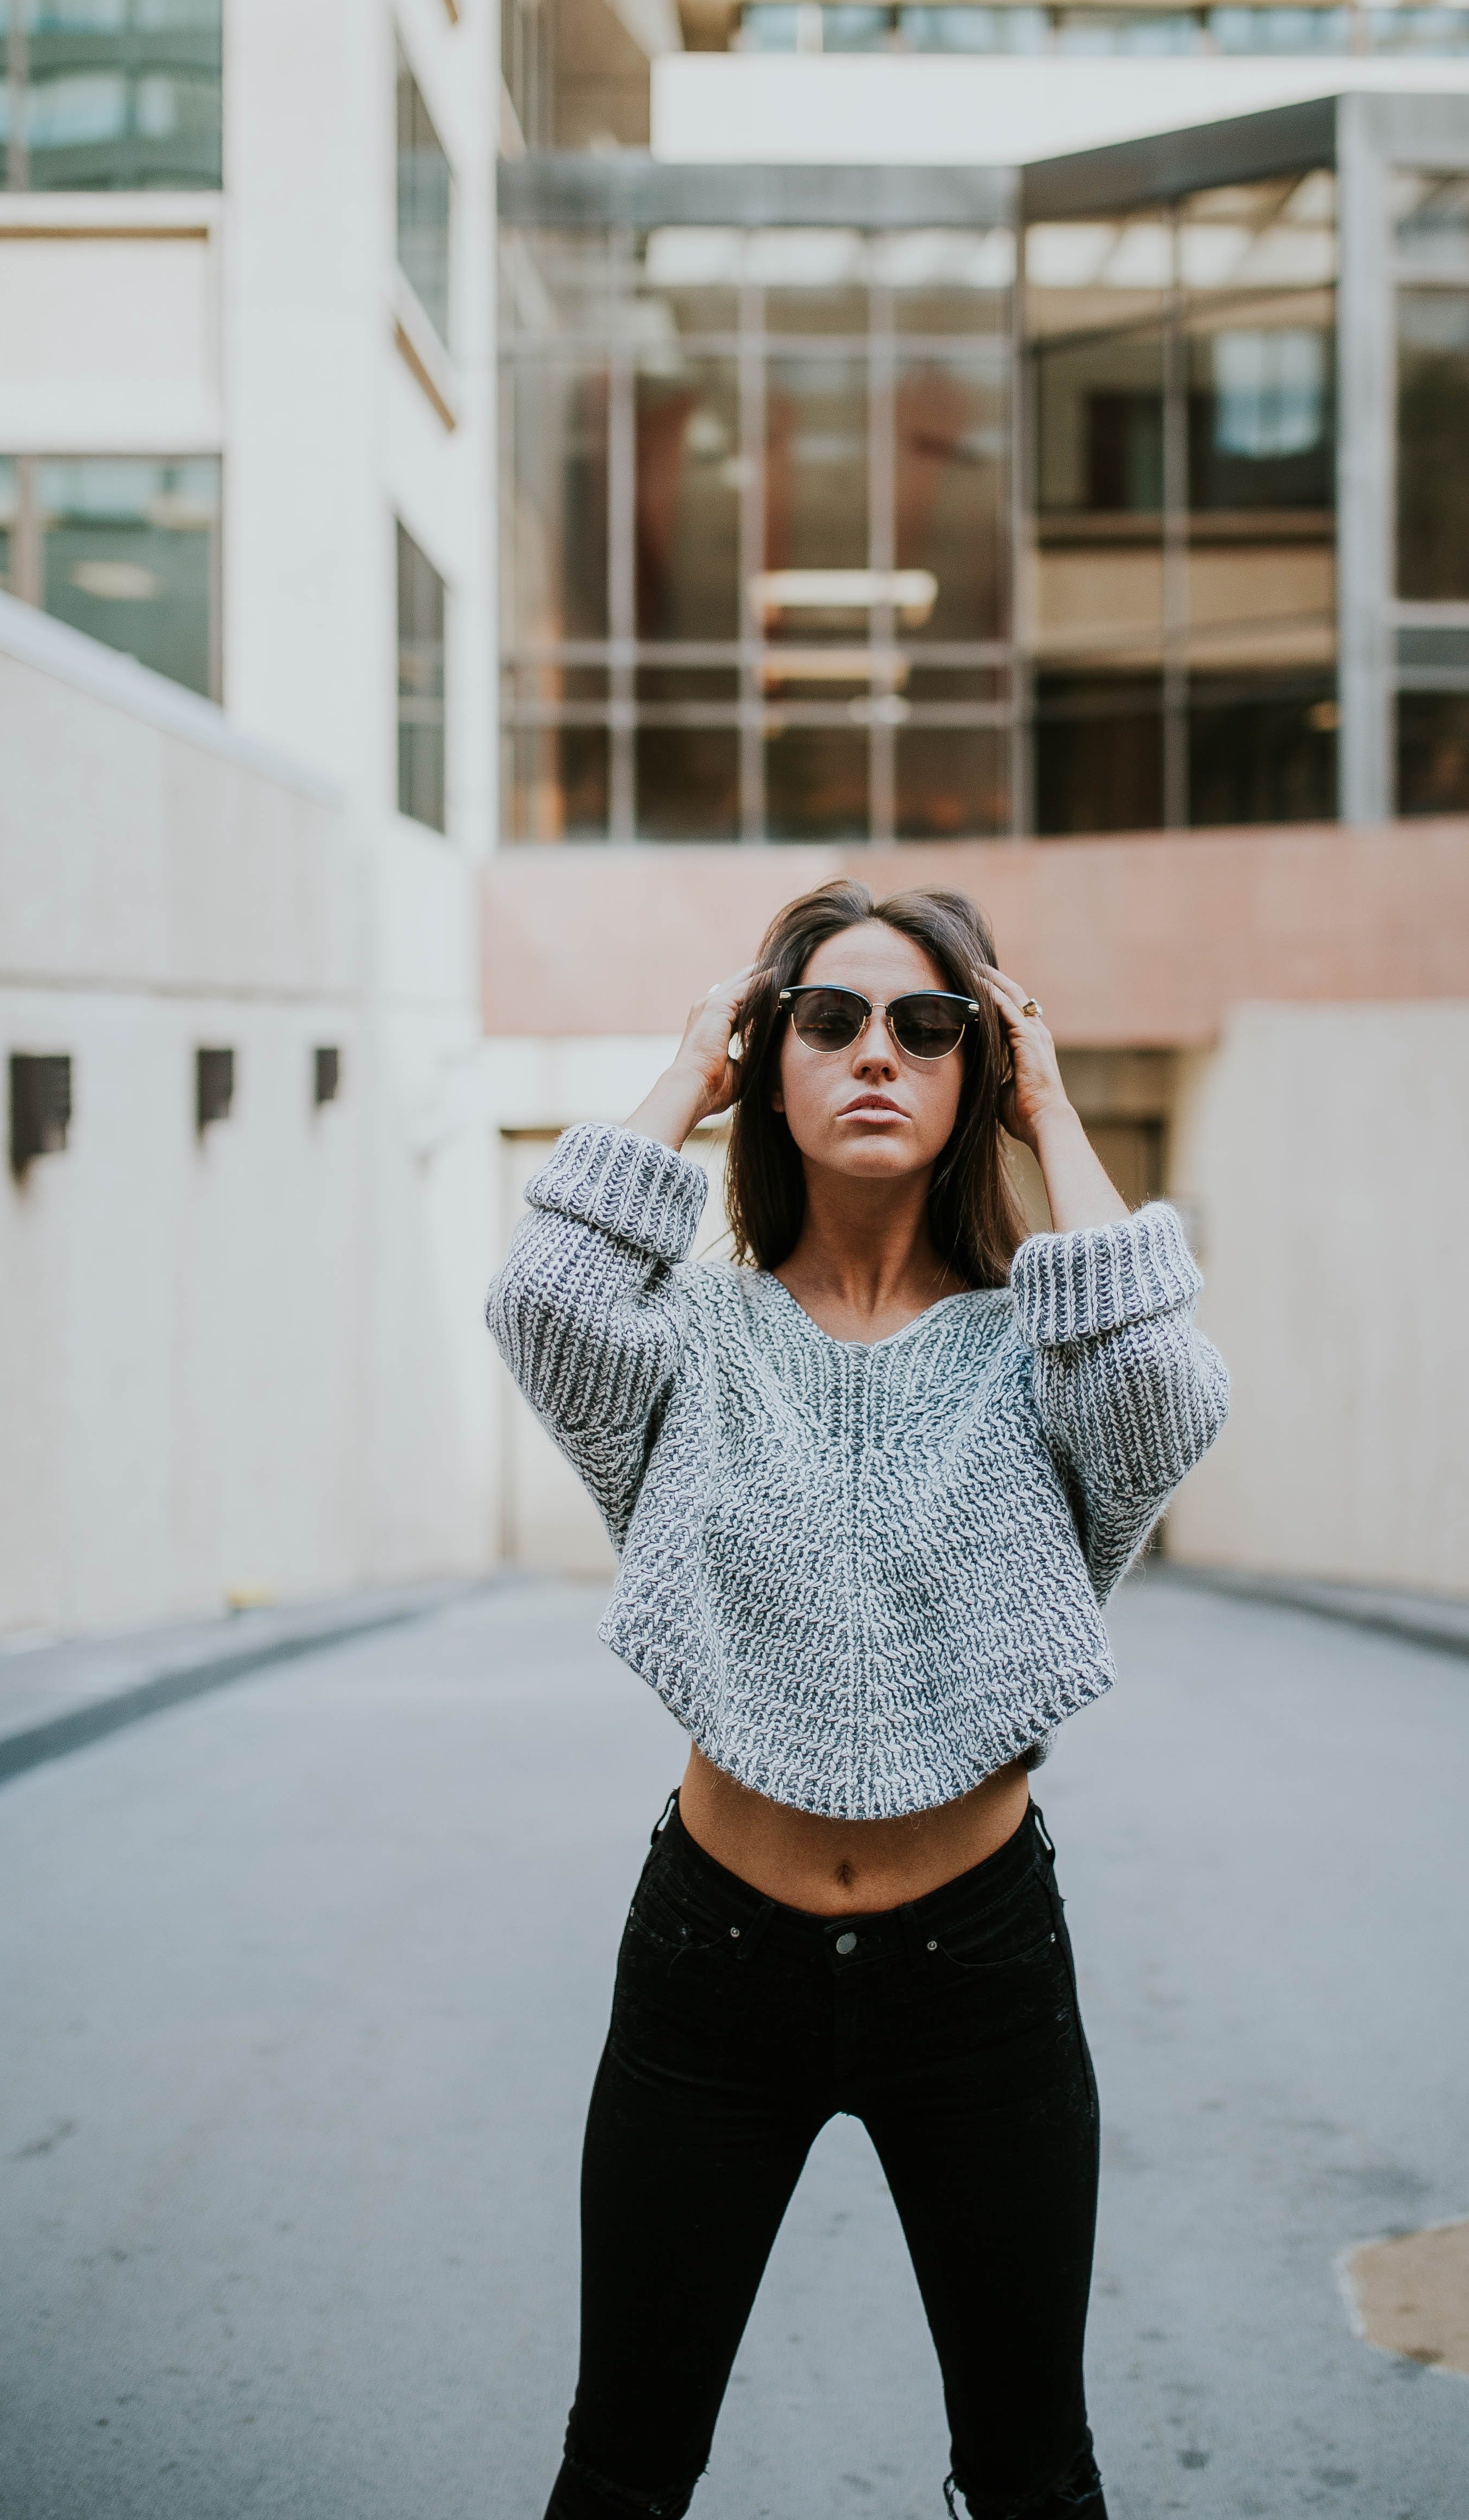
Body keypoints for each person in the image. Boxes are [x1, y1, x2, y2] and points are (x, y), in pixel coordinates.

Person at [486, 879, 1229, 2520]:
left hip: (977, 1974)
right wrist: (689, 1066)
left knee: (1033, 2471)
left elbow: (1168, 1399)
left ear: (979, 1066)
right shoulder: (685, 1342)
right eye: (826, 1020)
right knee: (623, 2461)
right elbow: (541, 1302)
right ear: (774, 1057)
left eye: (926, 1024)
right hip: (711, 1967)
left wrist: (1054, 1108)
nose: (874, 1053)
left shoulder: (1046, 1352)